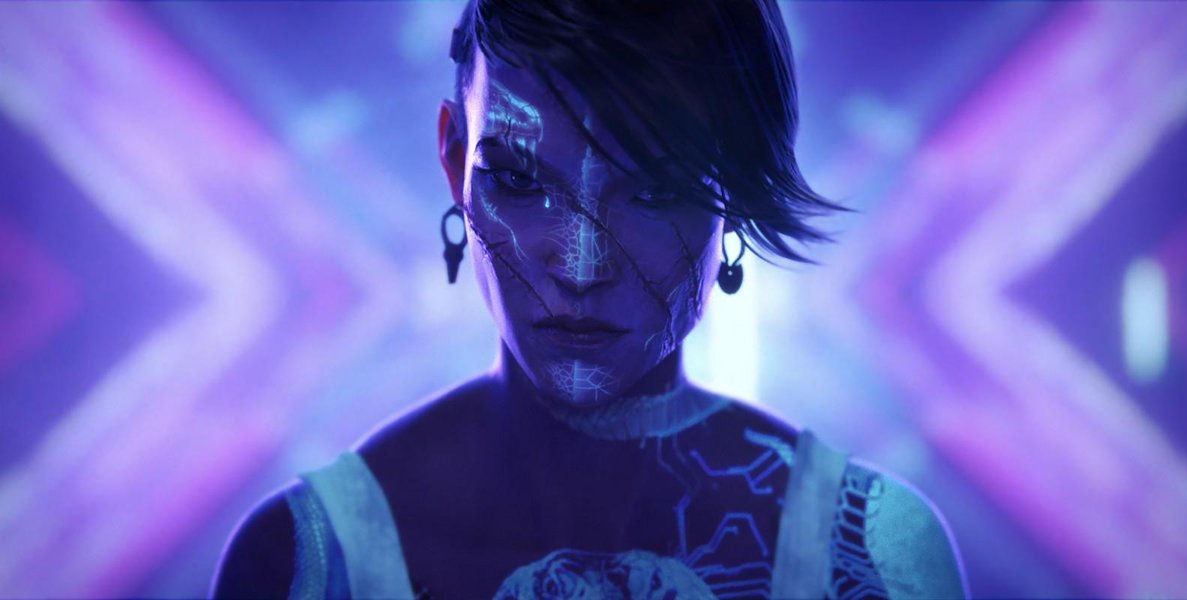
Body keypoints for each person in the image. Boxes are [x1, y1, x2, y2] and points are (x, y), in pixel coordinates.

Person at [211, 1, 968, 598]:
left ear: (734, 192)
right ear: (454, 161)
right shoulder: (303, 565)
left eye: (655, 190)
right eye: (520, 180)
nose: (580, 265)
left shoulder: (869, 559)